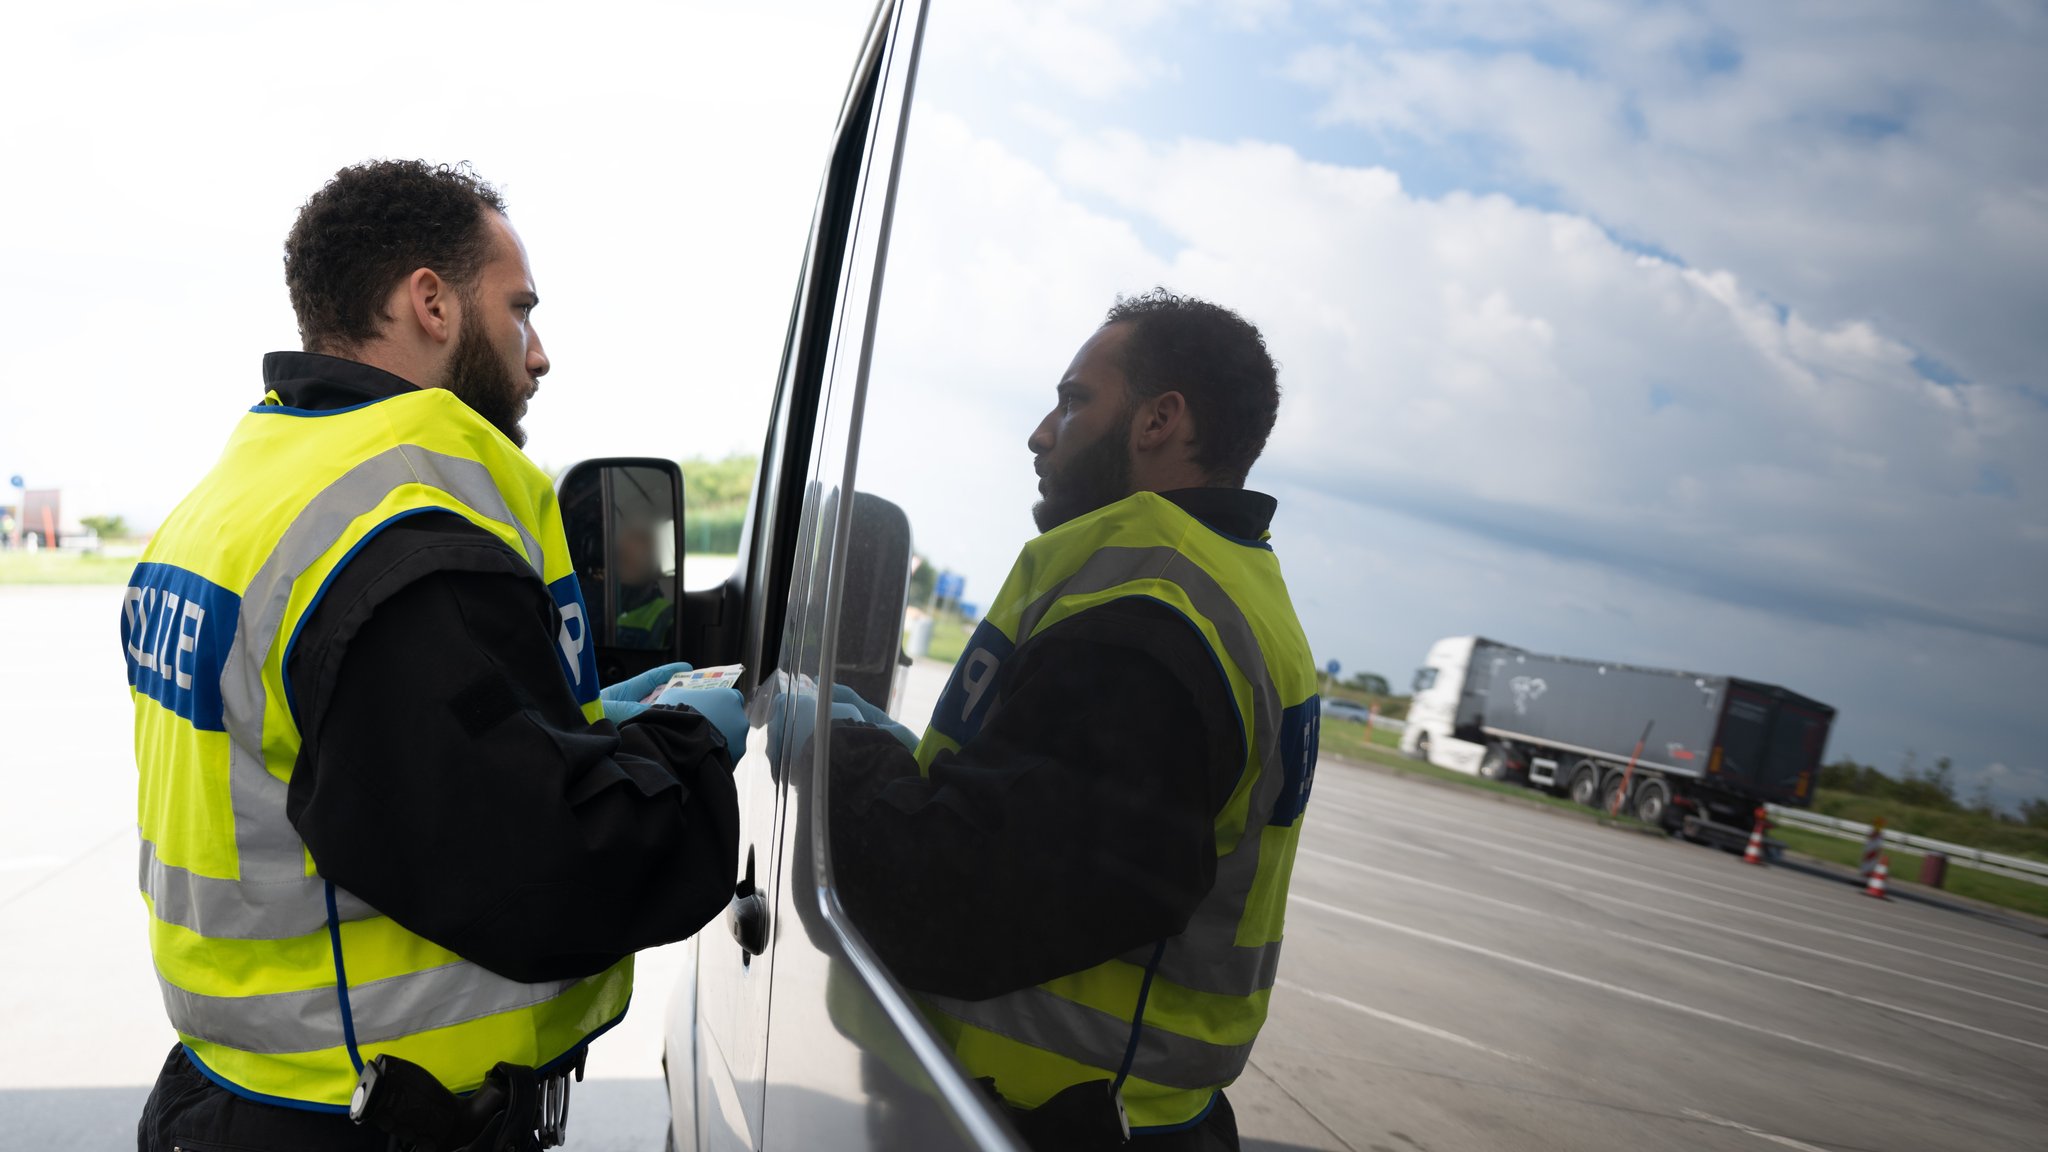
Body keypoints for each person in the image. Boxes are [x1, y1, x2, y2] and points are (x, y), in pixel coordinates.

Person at [125, 160, 746, 1152]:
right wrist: (688, 747)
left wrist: (584, 725)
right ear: (430, 302)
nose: (537, 353)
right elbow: (542, 867)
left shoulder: (236, 498)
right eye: (519, 310)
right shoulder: (403, 523)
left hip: (243, 1087)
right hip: (372, 1117)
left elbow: (351, 760)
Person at [829, 291, 1321, 1151]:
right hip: (1123, 1115)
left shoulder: (1150, 618)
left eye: (1073, 400)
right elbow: (1048, 822)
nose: (1041, 432)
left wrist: (835, 750)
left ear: (1159, 419)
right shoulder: (1230, 588)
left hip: (1052, 1119)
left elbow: (953, 899)